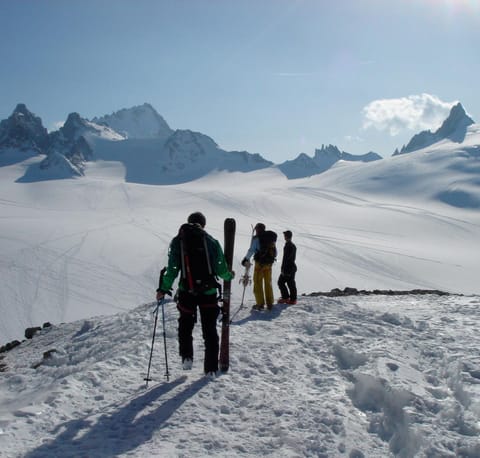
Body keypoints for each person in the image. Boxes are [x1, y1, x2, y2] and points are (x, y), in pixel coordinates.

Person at [156, 212, 234, 376]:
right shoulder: (211, 241)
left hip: (187, 291)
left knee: (185, 325)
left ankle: (187, 358)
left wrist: (163, 289)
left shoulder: (179, 241)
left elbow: (172, 269)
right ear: (203, 224)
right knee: (210, 330)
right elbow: (221, 268)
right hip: (208, 292)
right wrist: (229, 275)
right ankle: (211, 368)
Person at [241, 223, 277, 311]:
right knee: (268, 282)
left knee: (258, 282)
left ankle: (260, 304)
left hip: (259, 264)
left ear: (257, 230)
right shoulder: (270, 238)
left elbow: (252, 250)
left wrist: (246, 259)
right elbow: (276, 253)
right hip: (269, 264)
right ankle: (270, 303)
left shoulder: (257, 239)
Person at [278, 230, 297, 305]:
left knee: (281, 282)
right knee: (290, 283)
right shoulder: (291, 245)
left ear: (286, 236)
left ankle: (286, 298)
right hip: (291, 267)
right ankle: (292, 299)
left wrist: (284, 269)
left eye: (285, 235)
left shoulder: (289, 245)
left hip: (288, 268)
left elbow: (286, 259)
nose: (284, 237)